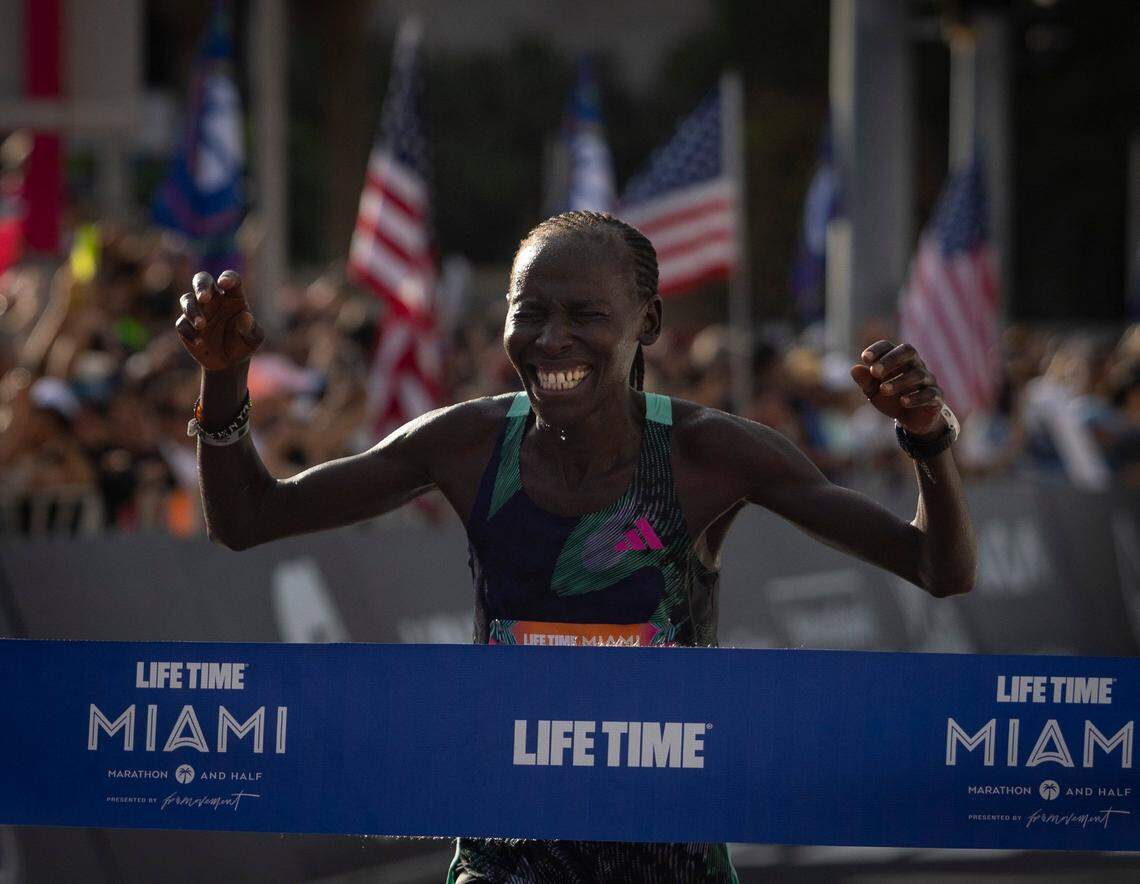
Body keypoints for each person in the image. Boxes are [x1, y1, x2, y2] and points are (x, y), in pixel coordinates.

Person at [176, 211, 976, 883]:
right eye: (529, 313)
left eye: (586, 315)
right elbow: (248, 518)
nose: (551, 340)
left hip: (668, 855)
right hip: (507, 855)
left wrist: (928, 439)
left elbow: (937, 568)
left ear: (647, 323)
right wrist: (223, 378)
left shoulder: (711, 456)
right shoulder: (466, 445)